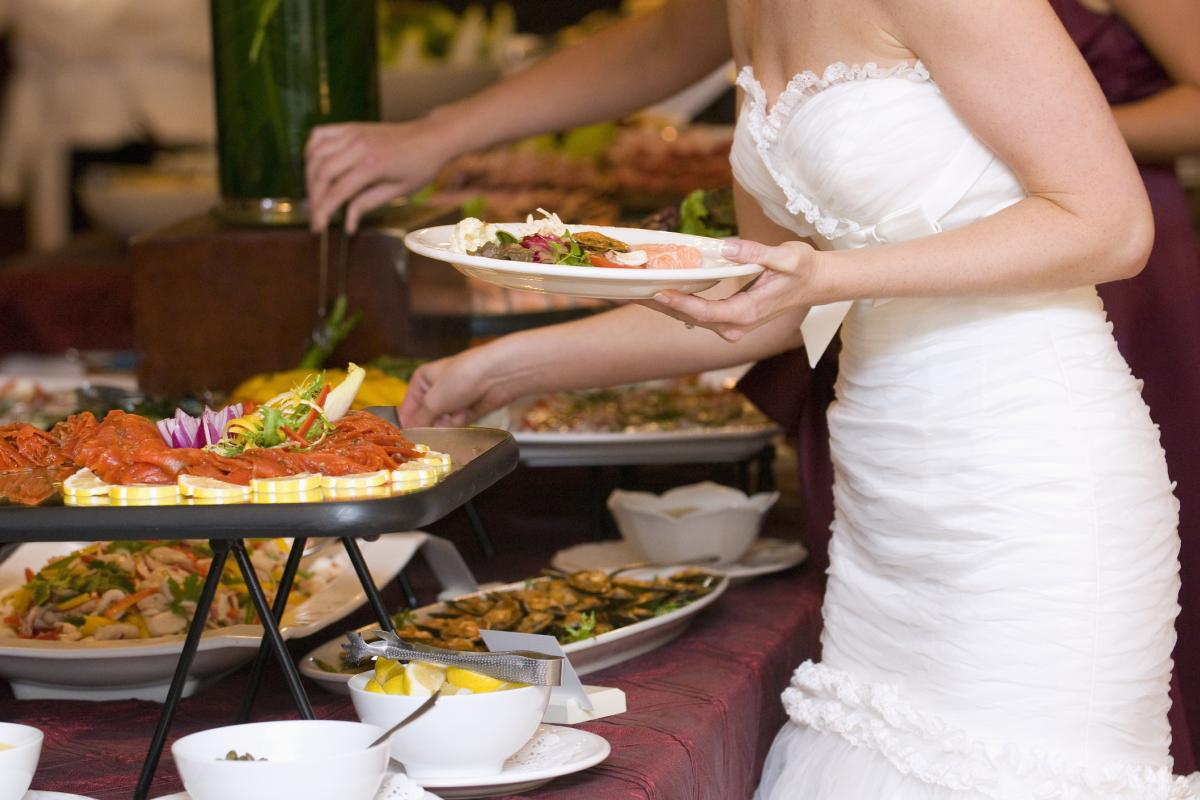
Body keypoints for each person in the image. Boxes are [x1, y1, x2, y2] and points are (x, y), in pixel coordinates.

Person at [308, 0, 1199, 794]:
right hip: (884, 506)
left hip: (1034, 483)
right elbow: (766, 299)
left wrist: (838, 274)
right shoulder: (746, 11)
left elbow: (1110, 222)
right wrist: (509, 366)